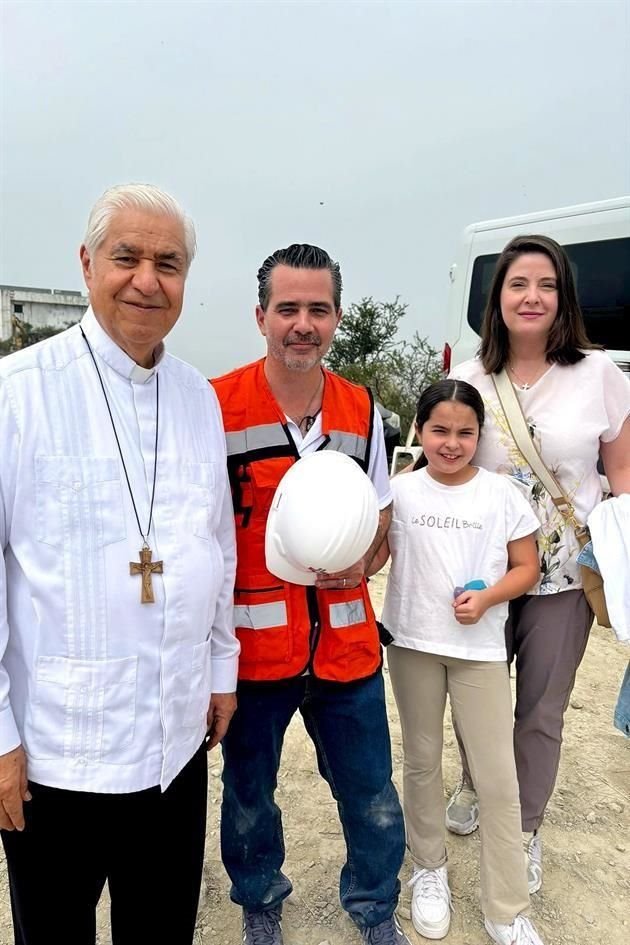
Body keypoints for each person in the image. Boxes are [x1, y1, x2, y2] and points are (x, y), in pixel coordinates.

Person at [0, 183, 239, 945]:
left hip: (175, 745)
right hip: (57, 754)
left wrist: (222, 668)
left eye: (168, 263)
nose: (147, 279)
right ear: (86, 263)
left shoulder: (198, 396)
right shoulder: (19, 394)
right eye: (126, 257)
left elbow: (216, 544)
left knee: (163, 931)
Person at [211, 244, 409, 945]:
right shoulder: (217, 407)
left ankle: (374, 904)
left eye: (317, 309)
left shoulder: (360, 408)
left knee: (372, 795)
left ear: (338, 318)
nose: (303, 323)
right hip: (256, 652)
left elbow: (382, 515)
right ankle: (259, 895)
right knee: (248, 796)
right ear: (260, 315)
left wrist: (363, 558)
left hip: (346, 647)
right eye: (287, 308)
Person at [447, 234, 630, 893]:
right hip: (484, 575)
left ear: (564, 298)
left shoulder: (601, 375)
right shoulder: (467, 379)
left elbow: (623, 475)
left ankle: (522, 828)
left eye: (546, 284)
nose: (531, 296)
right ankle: (473, 779)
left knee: (540, 710)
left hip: (562, 579)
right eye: (517, 283)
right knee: (478, 699)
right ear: (497, 298)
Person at [369, 379, 545, 945]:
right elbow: (372, 555)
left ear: (479, 436)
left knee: (497, 779)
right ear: (419, 430)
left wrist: (489, 598)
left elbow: (527, 569)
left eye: (464, 432)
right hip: (413, 644)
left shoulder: (501, 495)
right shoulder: (400, 492)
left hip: (479, 653)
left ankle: (506, 908)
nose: (451, 443)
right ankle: (429, 870)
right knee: (421, 762)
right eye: (439, 430)